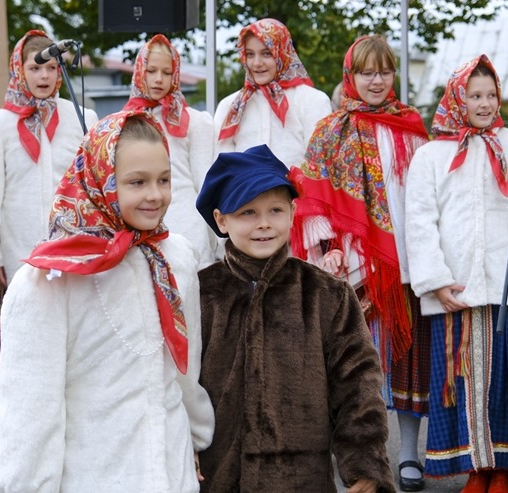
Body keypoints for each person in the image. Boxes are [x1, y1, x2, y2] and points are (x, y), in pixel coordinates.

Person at [0, 110, 215, 492]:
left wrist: (196, 440)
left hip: (172, 474)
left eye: (164, 179)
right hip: (93, 477)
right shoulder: (48, 281)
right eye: (137, 182)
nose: (155, 195)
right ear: (99, 180)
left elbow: (185, 371)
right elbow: (29, 417)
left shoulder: (175, 258)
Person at [195, 144, 395, 492]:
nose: (263, 224)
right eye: (247, 212)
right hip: (219, 476)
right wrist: (184, 446)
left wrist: (365, 463)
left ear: (292, 212)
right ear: (221, 220)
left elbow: (357, 387)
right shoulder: (200, 294)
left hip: (302, 479)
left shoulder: (327, 295)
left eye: (275, 210)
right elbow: (177, 386)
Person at [290, 35, 431, 492]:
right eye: (367, 72)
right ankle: (353, 463)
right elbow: (313, 197)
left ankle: (408, 453)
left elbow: (427, 196)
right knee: (352, 370)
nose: (376, 80)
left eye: (384, 71)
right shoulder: (330, 129)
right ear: (351, 76)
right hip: (352, 269)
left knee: (409, 362)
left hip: (405, 264)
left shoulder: (410, 127)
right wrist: (326, 247)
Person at [405, 54, 508, 493]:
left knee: (505, 379)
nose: (483, 103)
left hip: (506, 287)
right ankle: (474, 470)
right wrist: (435, 280)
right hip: (456, 290)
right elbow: (420, 221)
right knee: (462, 383)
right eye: (473, 95)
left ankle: (501, 470)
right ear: (457, 98)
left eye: (490, 95)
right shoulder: (431, 155)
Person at [0, 29, 98, 288]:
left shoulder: (82, 119)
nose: (44, 75)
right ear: (19, 69)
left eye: (51, 67)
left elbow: (92, 187)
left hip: (73, 243)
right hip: (21, 246)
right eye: (35, 68)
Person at [123, 34, 217, 268]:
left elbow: (206, 184)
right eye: (151, 71)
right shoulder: (125, 122)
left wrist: (217, 240)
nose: (158, 79)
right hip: (140, 227)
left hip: (187, 227)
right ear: (139, 71)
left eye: (167, 72)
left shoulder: (196, 122)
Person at [213, 18, 332, 169]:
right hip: (245, 192)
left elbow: (319, 164)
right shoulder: (231, 106)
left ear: (282, 52)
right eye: (250, 54)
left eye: (266, 53)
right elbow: (222, 163)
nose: (256, 63)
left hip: (298, 191)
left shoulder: (313, 100)